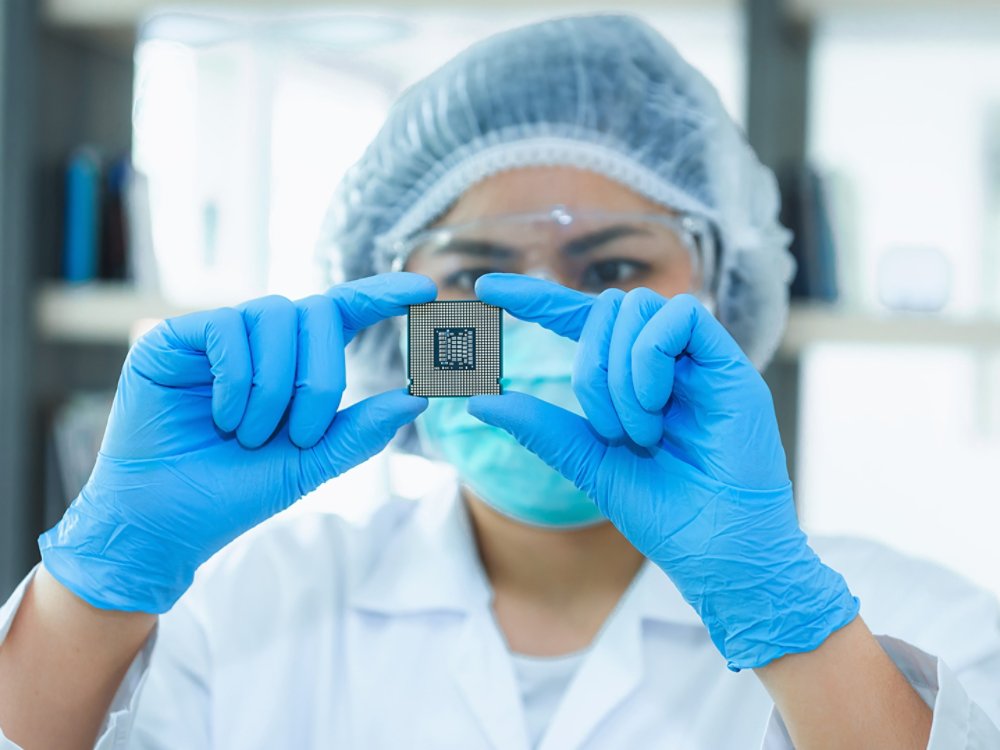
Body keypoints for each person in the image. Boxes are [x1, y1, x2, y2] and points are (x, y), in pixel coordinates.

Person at [1, 14, 998, 750]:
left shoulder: (918, 623)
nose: (532, 322)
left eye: (611, 273)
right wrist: (96, 584)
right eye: (477, 279)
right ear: (398, 313)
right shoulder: (250, 609)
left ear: (726, 296)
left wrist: (791, 628)